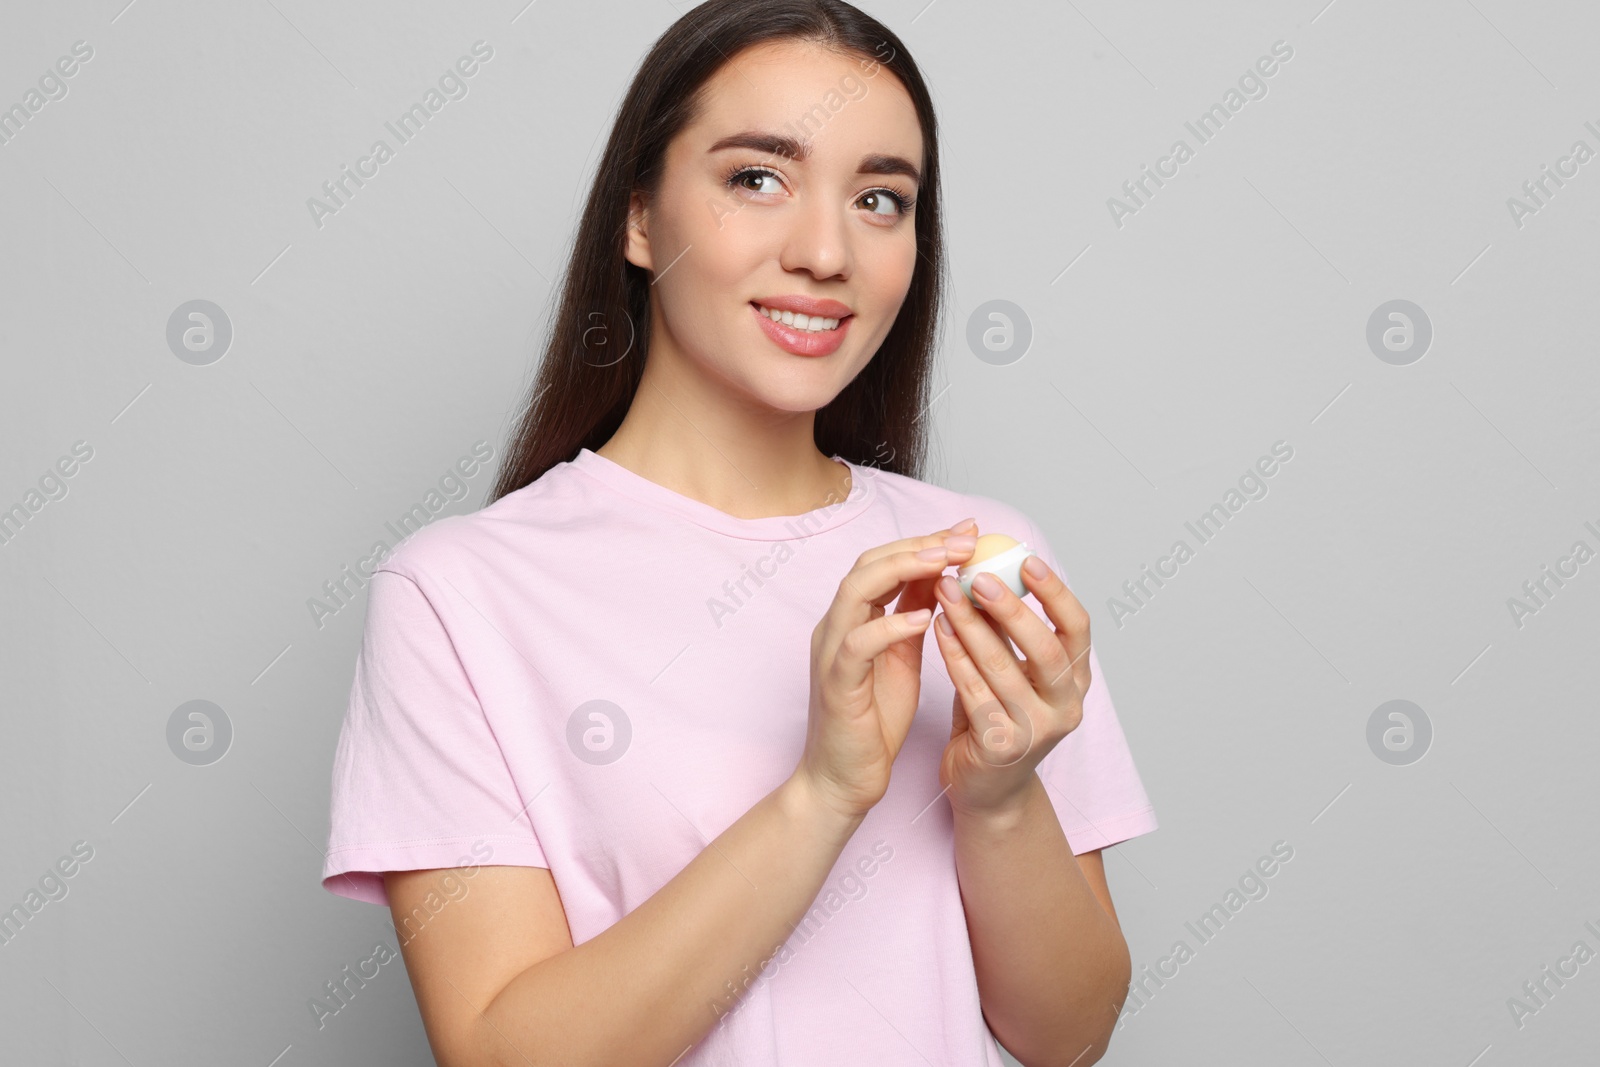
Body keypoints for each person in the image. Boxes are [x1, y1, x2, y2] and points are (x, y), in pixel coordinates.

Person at [320, 2, 1157, 1063]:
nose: (824, 250)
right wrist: (823, 791)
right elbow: (502, 1051)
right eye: (755, 177)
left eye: (880, 199)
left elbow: (1067, 1034)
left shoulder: (980, 554)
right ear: (638, 215)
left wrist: (996, 797)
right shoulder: (458, 595)